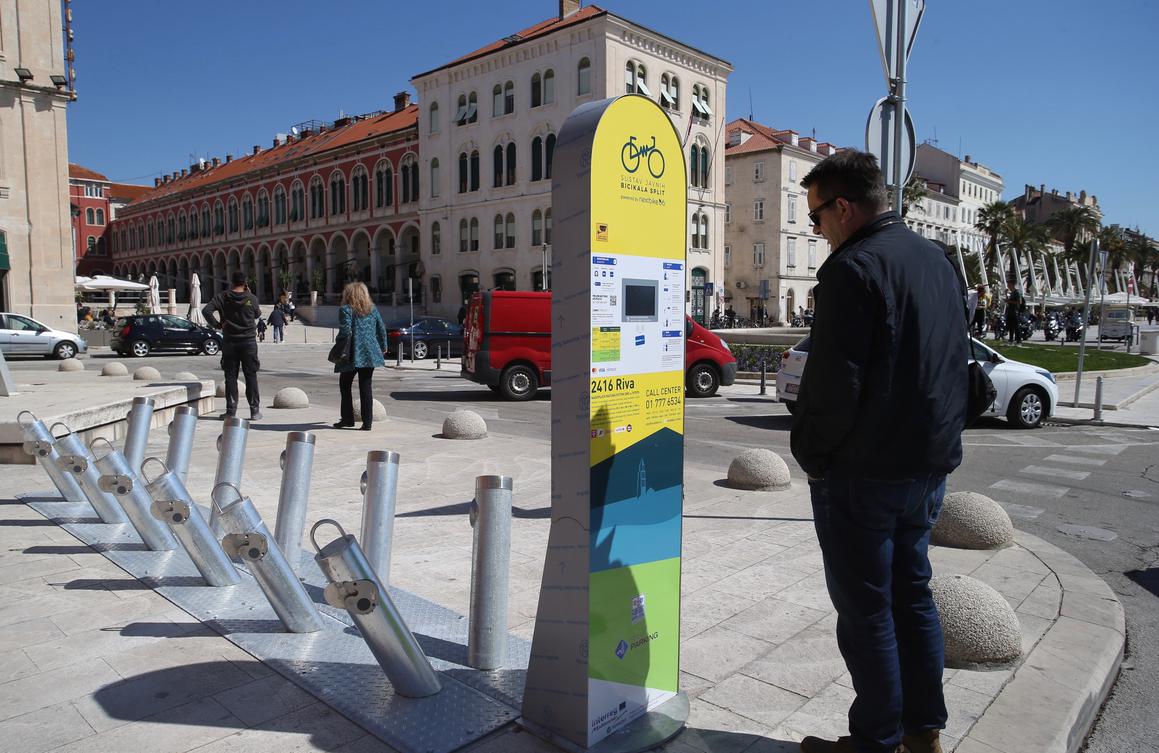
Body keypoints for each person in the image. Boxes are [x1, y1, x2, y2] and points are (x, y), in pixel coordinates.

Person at [792, 151, 967, 753]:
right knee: (912, 595)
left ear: (843, 208)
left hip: (863, 473)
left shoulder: (852, 269)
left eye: (817, 217)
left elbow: (833, 386)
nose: (816, 230)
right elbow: (953, 364)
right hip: (927, 466)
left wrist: (812, 454)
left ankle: (876, 741)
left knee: (867, 612)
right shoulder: (939, 262)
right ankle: (924, 735)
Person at [203, 271, 263, 420]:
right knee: (251, 376)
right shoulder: (251, 297)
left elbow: (206, 311)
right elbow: (257, 314)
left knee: (230, 377)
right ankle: (254, 411)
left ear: (232, 282)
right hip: (248, 341)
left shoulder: (222, 297)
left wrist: (217, 325)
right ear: (245, 283)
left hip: (230, 341)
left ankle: (231, 411)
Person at [333, 281, 387, 431]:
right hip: (370, 353)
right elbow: (381, 328)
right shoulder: (373, 309)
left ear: (348, 294)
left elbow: (345, 331)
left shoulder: (345, 310)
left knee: (345, 385)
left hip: (353, 353)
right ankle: (367, 422)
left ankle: (347, 419)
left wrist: (339, 344)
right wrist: (383, 347)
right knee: (366, 386)